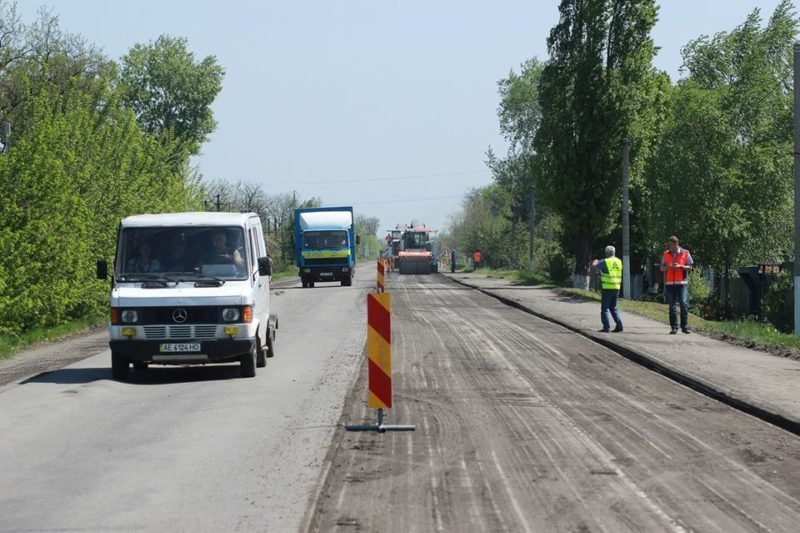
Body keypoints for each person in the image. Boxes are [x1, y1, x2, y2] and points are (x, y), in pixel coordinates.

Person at [661, 235, 694, 334]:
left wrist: (681, 266)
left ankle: (684, 327)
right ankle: (674, 327)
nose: (669, 247)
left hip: (682, 283)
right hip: (670, 284)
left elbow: (690, 267)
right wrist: (668, 267)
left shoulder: (685, 253)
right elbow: (661, 268)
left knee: (683, 305)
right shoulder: (666, 254)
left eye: (671, 245)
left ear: (676, 244)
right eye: (669, 245)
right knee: (672, 307)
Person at [592, 245, 623, 333]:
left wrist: (595, 262)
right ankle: (619, 326)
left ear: (606, 253)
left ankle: (606, 327)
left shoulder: (605, 261)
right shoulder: (619, 261)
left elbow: (594, 267)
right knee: (613, 308)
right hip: (616, 287)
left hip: (607, 287)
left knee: (605, 308)